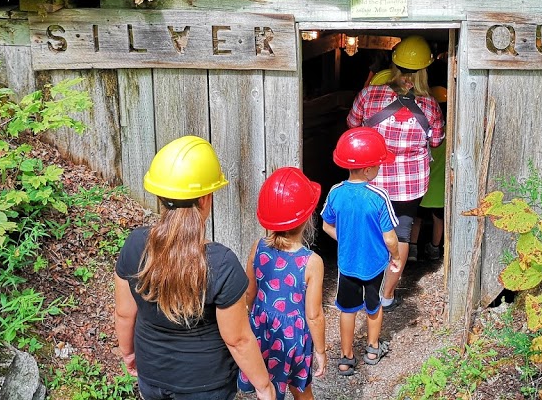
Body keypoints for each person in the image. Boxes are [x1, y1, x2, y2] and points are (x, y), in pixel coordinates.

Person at [114, 135, 277, 400]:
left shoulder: (134, 245)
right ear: (205, 199)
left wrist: (128, 352)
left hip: (151, 375)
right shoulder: (221, 263)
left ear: (159, 195)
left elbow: (124, 313)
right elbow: (238, 340)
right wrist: (263, 385)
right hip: (206, 385)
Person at [346, 35, 444, 311]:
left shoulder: (369, 95)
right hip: (408, 184)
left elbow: (352, 125)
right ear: (425, 69)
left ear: (395, 64)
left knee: (371, 232)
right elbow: (436, 140)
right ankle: (386, 294)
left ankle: (365, 287)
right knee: (400, 234)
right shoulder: (430, 105)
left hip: (371, 179)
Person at [238, 167, 327, 400]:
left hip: (263, 328)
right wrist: (320, 350)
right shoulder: (312, 262)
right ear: (308, 217)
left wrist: (254, 318)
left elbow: (249, 292)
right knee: (301, 390)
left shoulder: (258, 247)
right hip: (294, 338)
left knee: (266, 387)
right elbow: (314, 315)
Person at [321, 127, 401, 377]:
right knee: (374, 307)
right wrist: (396, 257)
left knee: (347, 309)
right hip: (375, 265)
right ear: (368, 170)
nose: (380, 168)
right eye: (378, 165)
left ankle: (346, 359)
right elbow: (389, 237)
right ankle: (373, 349)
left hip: (347, 265)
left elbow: (326, 225)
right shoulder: (379, 196)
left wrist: (346, 240)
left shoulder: (335, 192)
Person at [419, 86, 449, 261]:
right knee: (438, 219)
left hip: (422, 187)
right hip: (440, 189)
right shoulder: (448, 136)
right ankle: (435, 249)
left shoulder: (425, 133)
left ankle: (413, 249)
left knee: (416, 218)